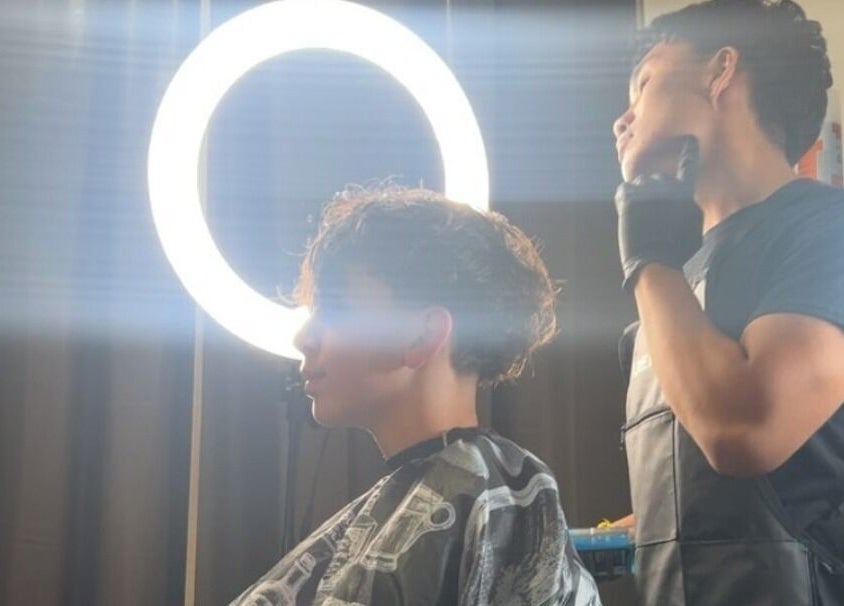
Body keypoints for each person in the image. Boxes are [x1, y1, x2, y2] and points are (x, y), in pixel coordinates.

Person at [229, 185, 601, 605]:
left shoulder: (506, 499)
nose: (303, 337)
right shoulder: (410, 500)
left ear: (423, 334)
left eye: (335, 310)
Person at [611, 0, 844, 604]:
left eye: (644, 83)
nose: (622, 120)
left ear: (720, 72)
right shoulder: (671, 288)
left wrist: (646, 262)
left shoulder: (829, 231)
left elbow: (747, 429)